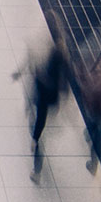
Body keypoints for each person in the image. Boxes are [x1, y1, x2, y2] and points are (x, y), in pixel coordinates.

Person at [26, 12, 69, 182]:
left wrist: (39, 74)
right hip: (49, 97)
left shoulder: (56, 54)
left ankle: (37, 170)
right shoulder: (60, 51)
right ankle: (35, 139)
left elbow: (53, 81)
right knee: (40, 122)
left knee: (40, 126)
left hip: (46, 95)